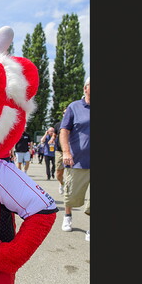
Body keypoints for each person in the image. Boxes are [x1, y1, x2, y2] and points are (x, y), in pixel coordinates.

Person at [59, 77, 90, 241]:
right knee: (71, 194)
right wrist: (66, 152)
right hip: (77, 160)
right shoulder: (74, 107)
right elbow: (64, 130)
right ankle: (68, 216)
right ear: (85, 88)